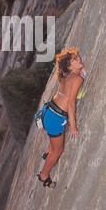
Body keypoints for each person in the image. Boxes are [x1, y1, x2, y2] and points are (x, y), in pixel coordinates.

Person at [37, 47, 85, 188]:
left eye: (77, 56)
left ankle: (47, 152)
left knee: (63, 129)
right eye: (74, 59)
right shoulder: (76, 79)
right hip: (54, 118)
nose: (78, 59)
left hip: (50, 112)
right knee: (58, 150)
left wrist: (80, 74)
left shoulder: (70, 76)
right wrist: (74, 127)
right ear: (70, 66)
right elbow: (71, 103)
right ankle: (43, 175)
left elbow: (71, 90)